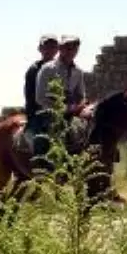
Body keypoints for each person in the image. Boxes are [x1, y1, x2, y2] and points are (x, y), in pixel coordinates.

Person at [28, 35, 93, 173]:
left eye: (75, 48)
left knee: (89, 132)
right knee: (42, 139)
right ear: (61, 49)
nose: (71, 51)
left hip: (71, 114)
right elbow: (40, 98)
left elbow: (81, 95)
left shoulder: (78, 72)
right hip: (49, 114)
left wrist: (80, 107)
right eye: (68, 47)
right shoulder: (47, 69)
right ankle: (40, 171)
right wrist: (60, 108)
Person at [24, 34, 59, 117]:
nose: (50, 50)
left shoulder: (61, 68)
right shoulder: (34, 69)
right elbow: (30, 96)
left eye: (53, 47)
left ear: (57, 50)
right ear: (40, 49)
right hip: (38, 112)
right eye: (46, 47)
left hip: (60, 110)